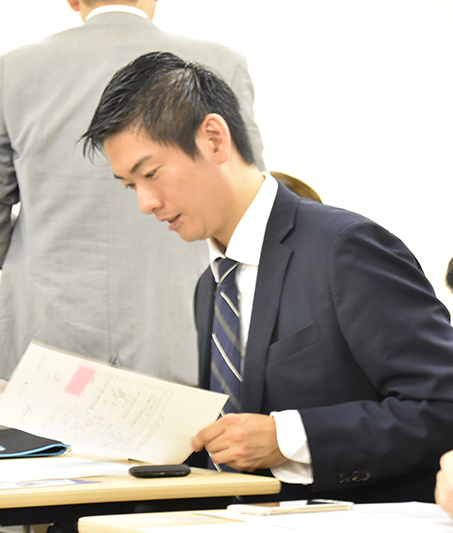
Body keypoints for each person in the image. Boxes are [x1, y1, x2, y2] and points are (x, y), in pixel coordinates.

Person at [82, 52, 453, 503]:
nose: (146, 202)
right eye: (130, 186)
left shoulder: (344, 248)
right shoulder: (211, 286)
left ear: (214, 139)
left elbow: (442, 407)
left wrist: (290, 437)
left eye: (151, 174)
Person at [0, 0, 266, 386]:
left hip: (46, 339)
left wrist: (37, 264)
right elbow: (247, 199)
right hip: (180, 331)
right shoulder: (220, 64)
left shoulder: (16, 69)